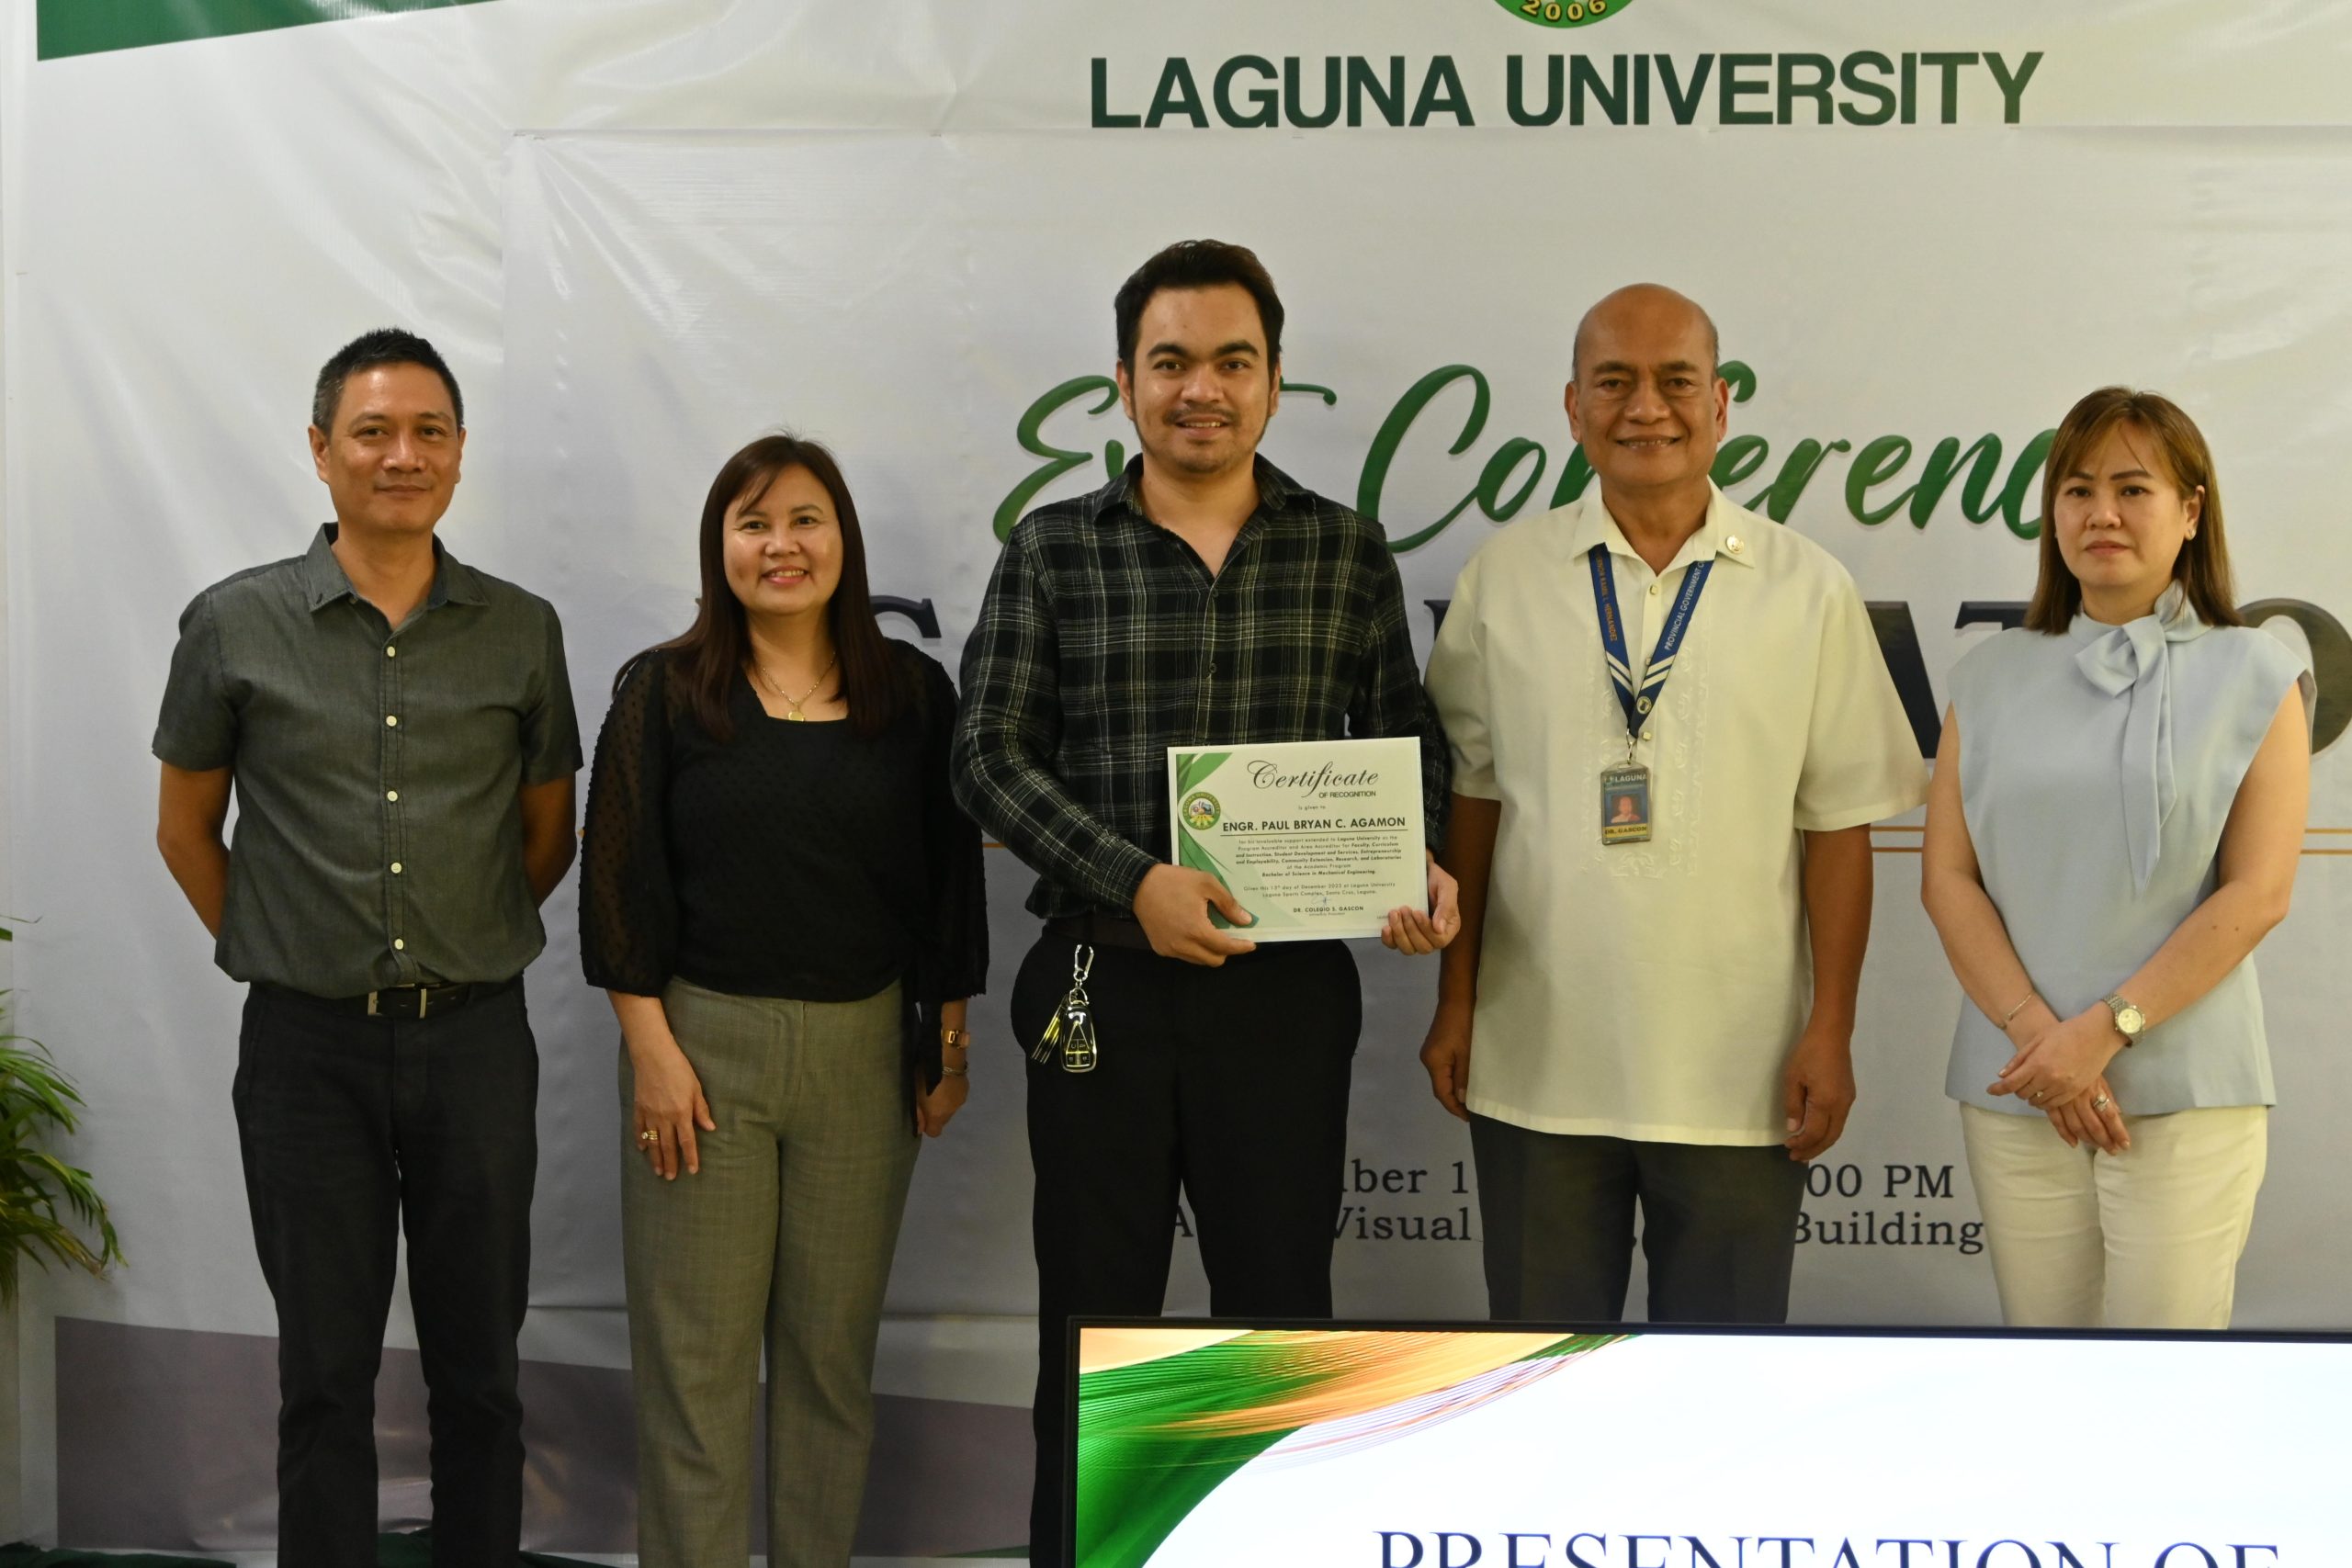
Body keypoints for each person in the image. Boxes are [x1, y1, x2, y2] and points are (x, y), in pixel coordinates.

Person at [952, 239, 1457, 1568]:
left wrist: (1418, 860)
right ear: (1124, 382)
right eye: (1170, 361)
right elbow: (985, 756)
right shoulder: (1053, 549)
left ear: (1275, 382)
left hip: (1284, 996)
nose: (1202, 389)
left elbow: (1408, 741)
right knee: (1094, 1320)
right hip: (1098, 979)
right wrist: (1136, 878)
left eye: (1234, 362)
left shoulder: (1343, 551)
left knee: (1278, 1322)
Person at [153, 328, 582, 1567]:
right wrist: (290, 940)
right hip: (307, 1051)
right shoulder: (233, 623)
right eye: (373, 432)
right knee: (324, 1377)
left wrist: (458, 933)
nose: (403, 455)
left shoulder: (520, 628)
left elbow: (546, 835)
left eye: (428, 432)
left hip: (475, 1043)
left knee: (481, 1371)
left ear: (459, 451)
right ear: (321, 448)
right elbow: (185, 830)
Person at [1421, 283, 1927, 1325]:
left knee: (1721, 1388)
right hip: (1536, 1065)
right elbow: (1474, 799)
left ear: (1721, 403)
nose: (1645, 407)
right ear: (1573, 407)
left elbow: (1838, 829)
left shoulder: (1807, 587)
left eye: (1675, 381)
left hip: (1740, 1078)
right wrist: (1457, 999)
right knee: (1542, 1380)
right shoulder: (1502, 579)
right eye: (1614, 382)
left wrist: (1830, 1029)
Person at [579, 434, 986, 1566]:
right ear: (719, 547)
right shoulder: (664, 691)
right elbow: (617, 883)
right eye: (753, 523)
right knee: (695, 1370)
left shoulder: (911, 694)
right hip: (699, 1057)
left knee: (827, 1366)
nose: (781, 545)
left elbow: (948, 883)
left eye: (805, 519)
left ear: (843, 538)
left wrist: (948, 1044)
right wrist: (653, 1054)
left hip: (866, 1058)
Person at [1921, 388, 2309, 1329]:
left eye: (2133, 489)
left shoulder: (2258, 673)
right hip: (2019, 1086)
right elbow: (1948, 880)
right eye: (2078, 490)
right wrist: (2039, 1039)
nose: (2102, 513)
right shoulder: (1987, 676)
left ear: (2191, 510)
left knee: (2163, 1379)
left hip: (2186, 1095)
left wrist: (2103, 1032)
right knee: (2044, 1367)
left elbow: (2258, 892)